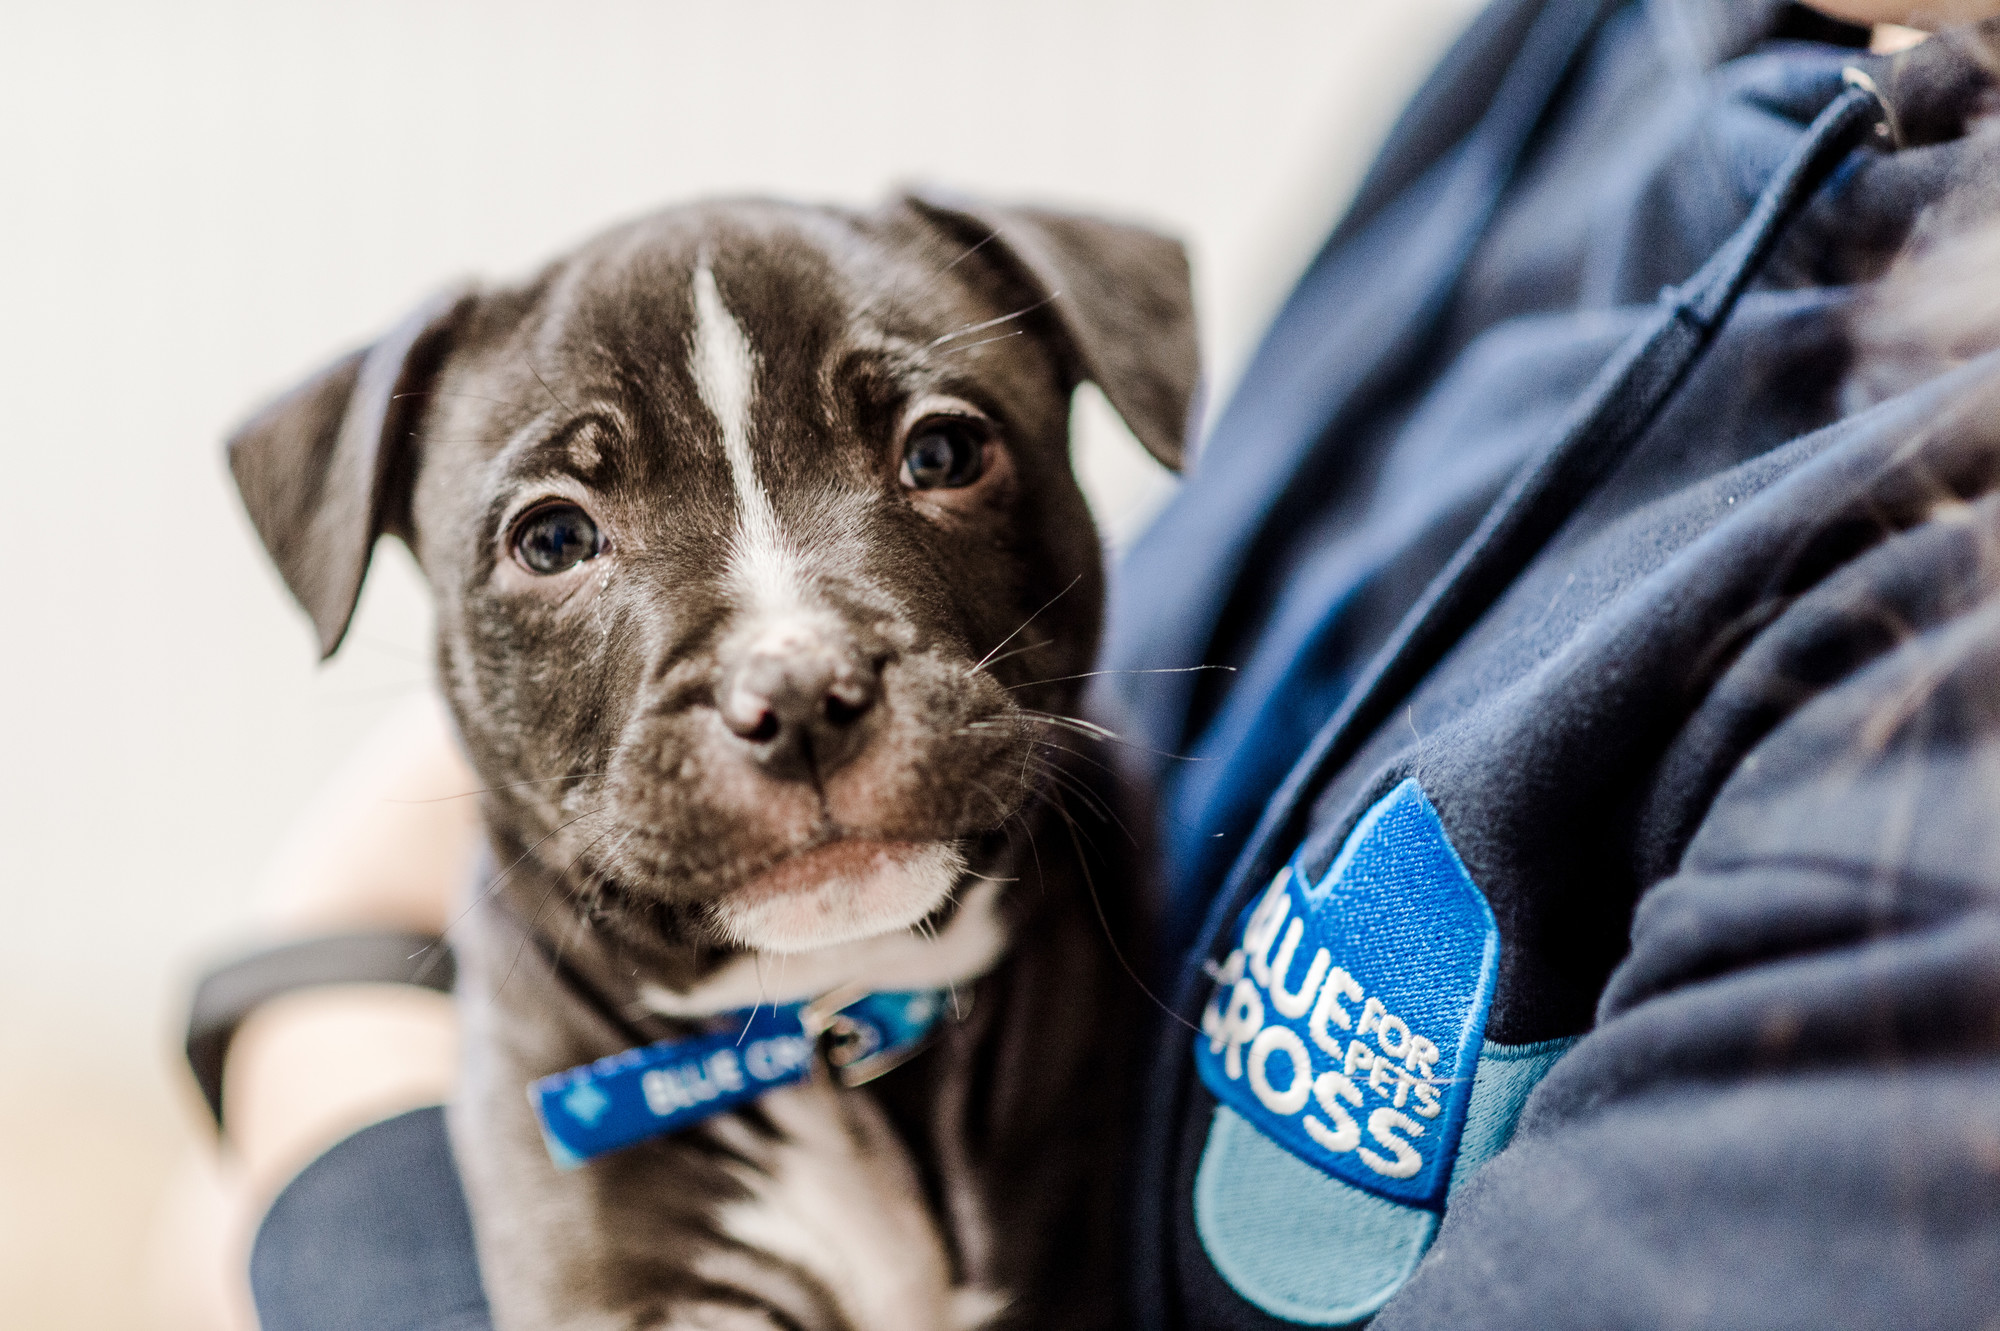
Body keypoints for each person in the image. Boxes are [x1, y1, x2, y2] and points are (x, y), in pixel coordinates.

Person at [195, 2, 2000, 1327]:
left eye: (936, 450)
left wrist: (337, 1148)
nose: (793, 660)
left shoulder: (1940, 764)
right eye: (558, 534)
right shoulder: (1590, 43)